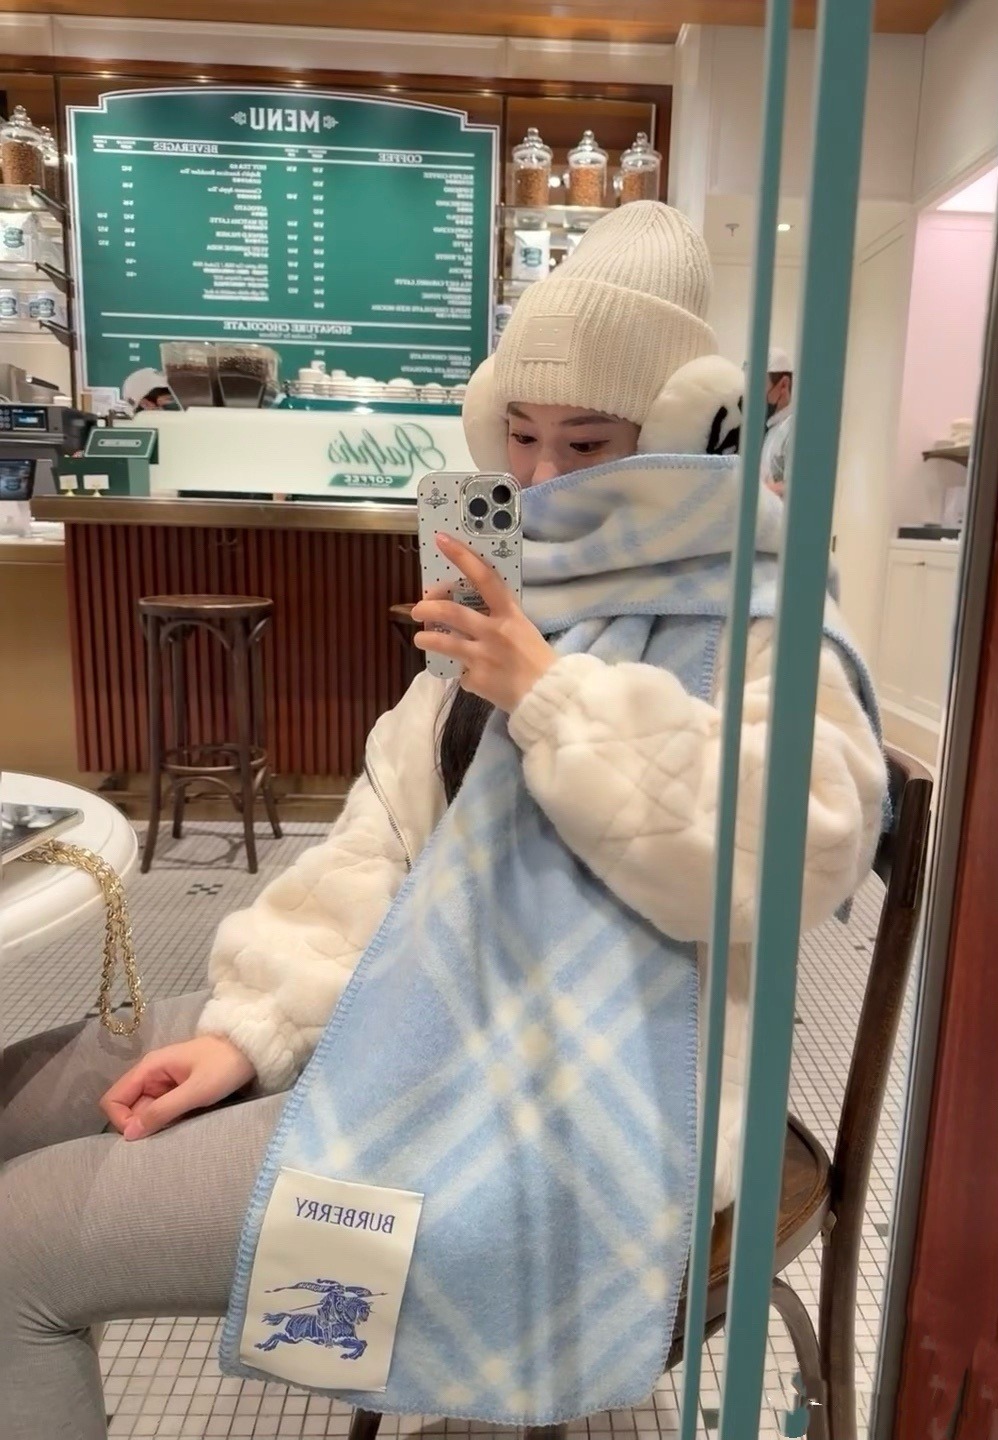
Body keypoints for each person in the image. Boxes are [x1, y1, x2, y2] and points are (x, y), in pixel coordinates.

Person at [0, 203, 887, 1440]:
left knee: (19, 1253)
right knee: (22, 1102)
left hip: (578, 1104)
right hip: (422, 1009)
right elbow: (387, 844)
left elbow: (800, 850)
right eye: (519, 435)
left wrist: (553, 695)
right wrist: (256, 1028)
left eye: (589, 442)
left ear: (687, 432)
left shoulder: (759, 609)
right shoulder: (522, 588)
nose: (541, 478)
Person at [761, 344, 794, 497]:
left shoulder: (794, 430)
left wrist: (757, 491)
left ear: (783, 385)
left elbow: (799, 487)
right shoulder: (772, 428)